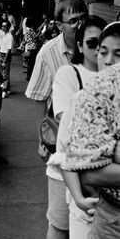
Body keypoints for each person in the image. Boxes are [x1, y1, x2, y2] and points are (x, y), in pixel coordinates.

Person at [25, 0, 88, 239]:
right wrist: (41, 140)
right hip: (63, 142)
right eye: (73, 21)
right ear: (58, 24)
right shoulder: (47, 53)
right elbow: (40, 98)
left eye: (82, 18)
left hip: (96, 147)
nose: (79, 24)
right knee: (61, 219)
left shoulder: (98, 44)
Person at [50, 22, 120, 239]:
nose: (109, 61)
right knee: (59, 229)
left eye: (118, 53)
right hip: (101, 208)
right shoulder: (84, 97)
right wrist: (79, 197)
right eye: (101, 50)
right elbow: (72, 158)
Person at [0, 21, 14, 99]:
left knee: (5, 75)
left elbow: (8, 50)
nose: (3, 27)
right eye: (2, 26)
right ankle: (7, 89)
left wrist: (4, 61)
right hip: (1, 54)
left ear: (8, 27)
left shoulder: (9, 36)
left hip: (6, 56)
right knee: (3, 73)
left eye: (4, 26)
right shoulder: (4, 35)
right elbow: (3, 46)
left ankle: (4, 91)